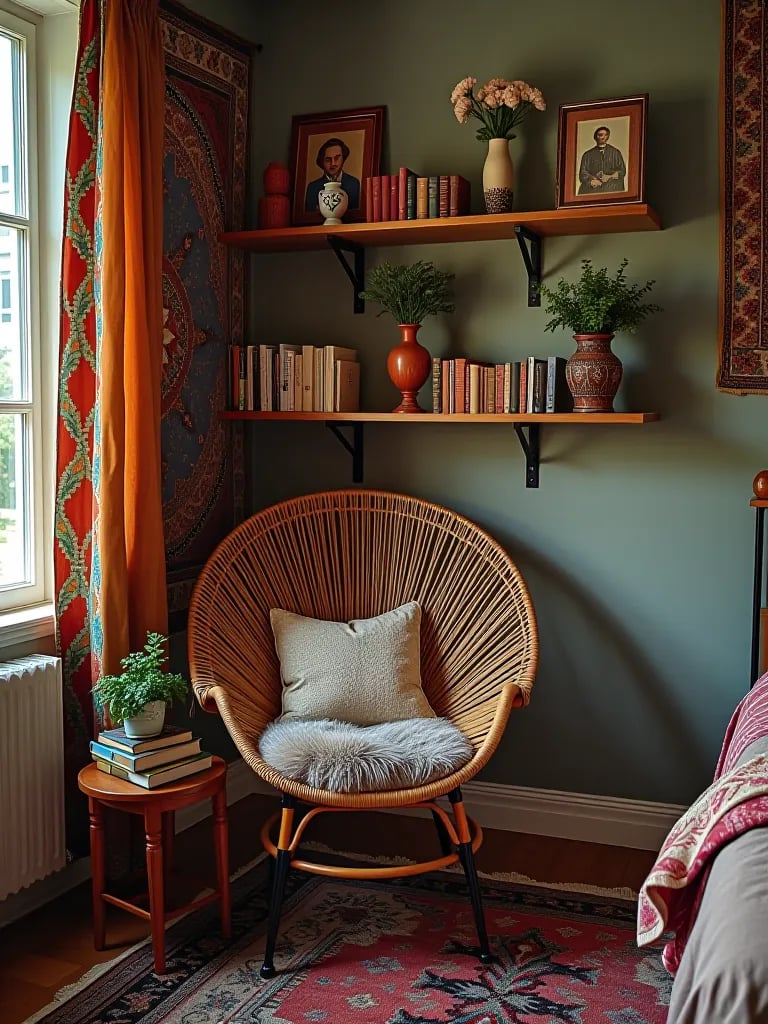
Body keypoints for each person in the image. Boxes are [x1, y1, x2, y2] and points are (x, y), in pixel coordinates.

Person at [304, 137, 361, 213]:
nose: (333, 163)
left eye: (337, 158)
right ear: (322, 162)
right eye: (328, 160)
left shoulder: (353, 183)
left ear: (343, 158)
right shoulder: (313, 187)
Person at [577, 126, 626, 195]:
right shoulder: (587, 154)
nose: (603, 137)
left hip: (611, 188)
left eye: (605, 135)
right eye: (600, 135)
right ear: (596, 137)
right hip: (593, 189)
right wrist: (592, 180)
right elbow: (583, 173)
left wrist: (609, 177)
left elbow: (622, 171)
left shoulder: (615, 152)